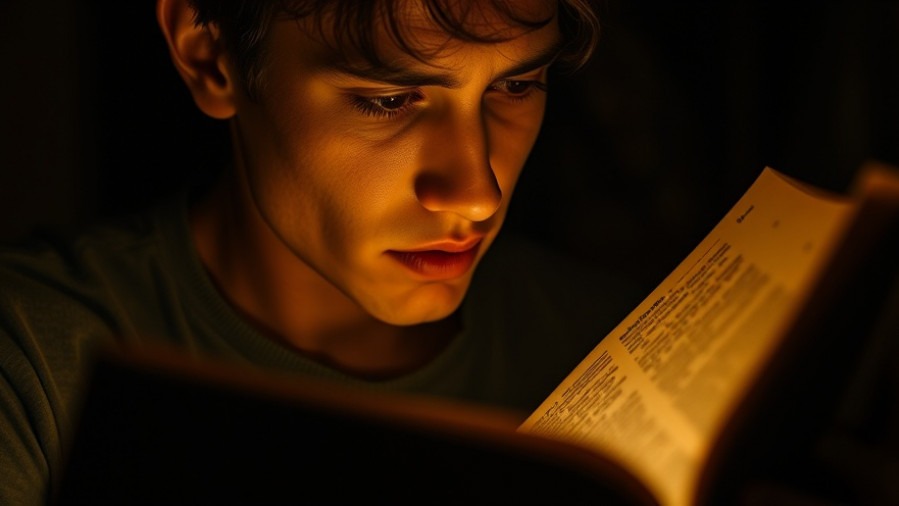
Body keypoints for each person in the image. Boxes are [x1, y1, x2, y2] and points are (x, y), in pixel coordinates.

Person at [0, 0, 641, 503]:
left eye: (517, 86)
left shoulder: (623, 344)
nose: (477, 195)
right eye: (389, 100)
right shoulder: (34, 360)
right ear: (210, 55)